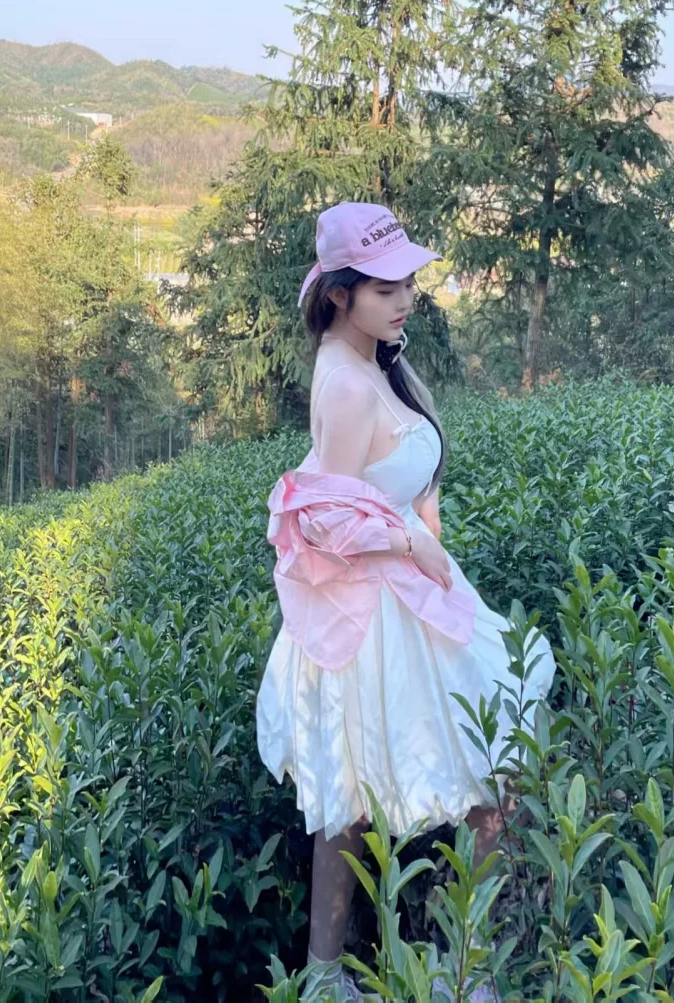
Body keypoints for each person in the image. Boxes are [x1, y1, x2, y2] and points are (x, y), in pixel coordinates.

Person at [256, 202, 555, 1000]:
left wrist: (426, 531)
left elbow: (400, 479)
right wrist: (409, 543)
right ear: (341, 294)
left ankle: (403, 967)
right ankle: (444, 969)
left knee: (373, 794)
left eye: (409, 283)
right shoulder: (346, 383)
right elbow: (321, 518)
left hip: (411, 596)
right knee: (427, 784)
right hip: (374, 617)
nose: (406, 299)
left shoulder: (374, 360)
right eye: (386, 288)